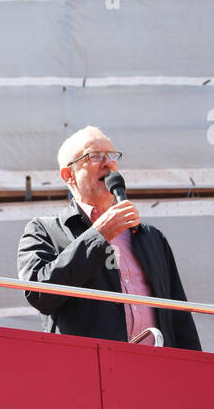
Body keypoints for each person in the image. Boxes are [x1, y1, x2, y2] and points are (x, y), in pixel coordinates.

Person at [16, 126, 202, 350]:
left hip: (156, 368)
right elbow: (39, 294)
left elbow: (179, 316)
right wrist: (98, 236)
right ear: (69, 175)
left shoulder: (151, 237)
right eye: (95, 156)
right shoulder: (44, 230)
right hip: (87, 371)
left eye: (112, 156)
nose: (108, 163)